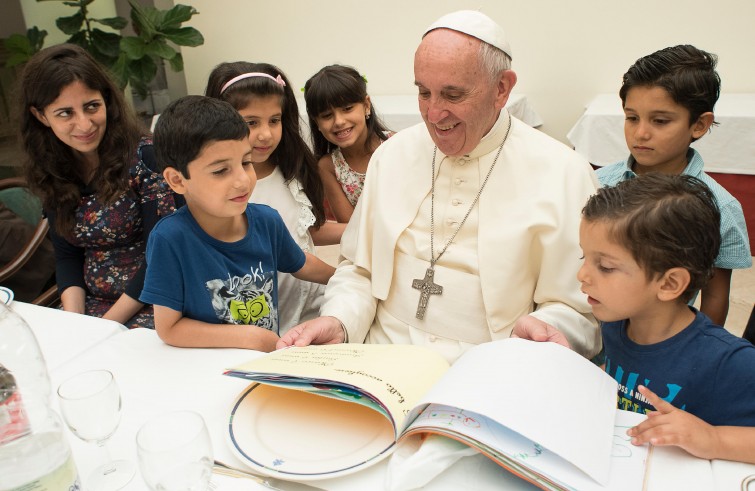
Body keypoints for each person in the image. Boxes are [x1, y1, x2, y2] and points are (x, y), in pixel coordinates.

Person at [278, 10, 601, 364]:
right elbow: (359, 270)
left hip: (494, 365)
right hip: (380, 357)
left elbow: (580, 308)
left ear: (502, 89)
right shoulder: (393, 156)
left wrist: (544, 330)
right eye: (424, 92)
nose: (433, 115)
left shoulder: (565, 173)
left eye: (452, 95)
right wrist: (339, 321)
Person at [578, 173, 755, 463]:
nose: (582, 275)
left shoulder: (727, 361)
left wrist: (714, 439)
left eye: (606, 266)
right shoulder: (614, 322)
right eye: (582, 257)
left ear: (669, 284)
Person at [141, 96, 335, 351]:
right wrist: (251, 337)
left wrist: (353, 278)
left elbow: (301, 264)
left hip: (265, 360)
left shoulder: (267, 220)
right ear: (177, 180)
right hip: (208, 367)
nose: (243, 180)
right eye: (221, 171)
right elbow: (169, 328)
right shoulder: (170, 239)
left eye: (246, 162)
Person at [19, 44, 181, 328]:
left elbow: (163, 255)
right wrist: (76, 324)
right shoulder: (50, 168)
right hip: (89, 308)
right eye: (65, 113)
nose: (84, 124)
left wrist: (104, 326)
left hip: (156, 303)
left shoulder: (147, 158)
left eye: (92, 106)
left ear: (106, 100)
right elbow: (67, 256)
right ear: (41, 116)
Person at [595, 45, 751, 326]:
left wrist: (694, 355)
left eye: (660, 121)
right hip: (589, 334)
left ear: (699, 125)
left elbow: (715, 296)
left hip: (660, 344)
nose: (640, 133)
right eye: (632, 118)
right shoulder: (598, 184)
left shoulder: (720, 207)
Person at [205, 62, 344, 333]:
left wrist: (355, 232)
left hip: (314, 307)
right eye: (251, 123)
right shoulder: (223, 194)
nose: (266, 134)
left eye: (274, 120)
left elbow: (302, 230)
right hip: (262, 323)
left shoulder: (291, 170)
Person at [304, 65, 393, 223]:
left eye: (347, 109)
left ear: (366, 105)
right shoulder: (328, 167)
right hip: (365, 245)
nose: (339, 121)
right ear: (316, 122)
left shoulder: (395, 145)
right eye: (327, 115)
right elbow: (349, 226)